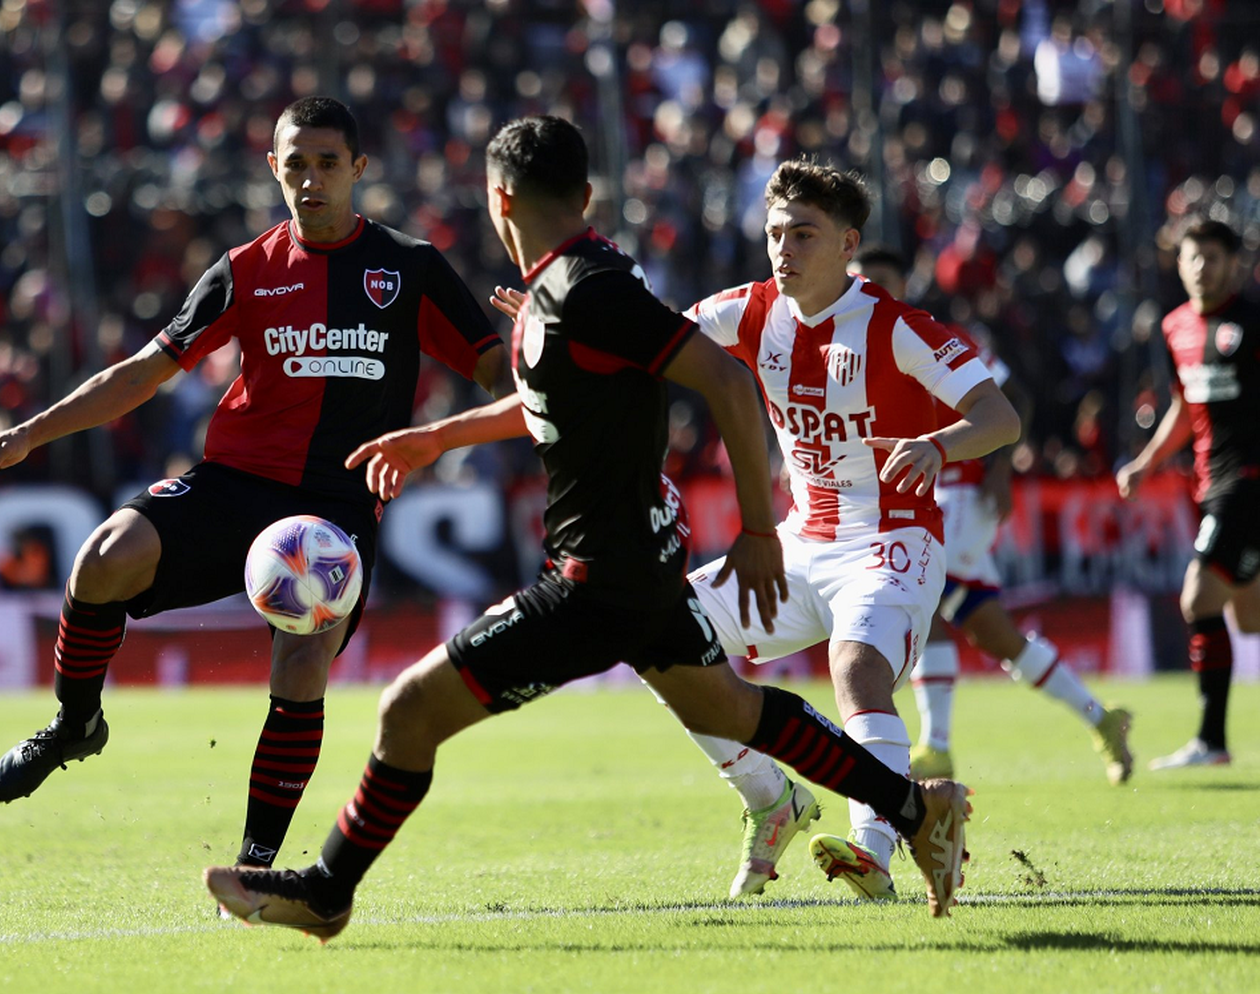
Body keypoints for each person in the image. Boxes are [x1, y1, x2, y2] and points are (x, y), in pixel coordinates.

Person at [201, 117, 973, 939]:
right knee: (737, 709)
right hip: (640, 564)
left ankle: (326, 893)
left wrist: (755, 528)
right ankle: (914, 809)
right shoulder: (572, 285)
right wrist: (438, 436)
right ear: (586, 196)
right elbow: (560, 401)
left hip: (594, 579)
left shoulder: (586, 289)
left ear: (499, 199)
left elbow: (726, 382)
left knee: (407, 712)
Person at [0, 97, 505, 871]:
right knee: (104, 555)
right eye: (296, 164)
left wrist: (552, 341)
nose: (310, 180)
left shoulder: (409, 268)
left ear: (358, 170)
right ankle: (76, 723)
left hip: (338, 507)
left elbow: (493, 368)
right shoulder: (246, 269)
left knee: (302, 662)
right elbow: (144, 372)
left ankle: (253, 866)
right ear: (273, 167)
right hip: (234, 485)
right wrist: (23, 435)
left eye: (327, 163)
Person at [487, 162, 1018, 904]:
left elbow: (1001, 417)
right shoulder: (747, 311)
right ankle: (773, 800)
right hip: (800, 544)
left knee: (857, 666)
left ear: (848, 244)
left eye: (805, 233)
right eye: (775, 233)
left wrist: (939, 444)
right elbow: (642, 345)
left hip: (890, 543)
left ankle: (877, 848)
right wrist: (561, 327)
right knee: (654, 634)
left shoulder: (896, 327)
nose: (785, 248)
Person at [850, 246, 1133, 787]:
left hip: (959, 492)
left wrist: (1001, 469)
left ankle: (935, 747)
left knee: (922, 593)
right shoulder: (851, 350)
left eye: (884, 280)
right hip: (910, 498)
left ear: (903, 284)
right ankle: (1104, 719)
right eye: (865, 280)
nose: (874, 290)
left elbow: (1013, 397)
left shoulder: (931, 334)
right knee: (996, 635)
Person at [1117, 218, 1260, 770]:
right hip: (1210, 481)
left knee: (1197, 598)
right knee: (1248, 618)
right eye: (1192, 258)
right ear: (1179, 265)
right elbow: (1183, 404)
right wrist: (1146, 463)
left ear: (1234, 265)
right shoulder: (1176, 326)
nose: (1202, 268)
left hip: (1248, 482)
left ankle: (1211, 741)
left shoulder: (1251, 321)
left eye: (1213, 258)